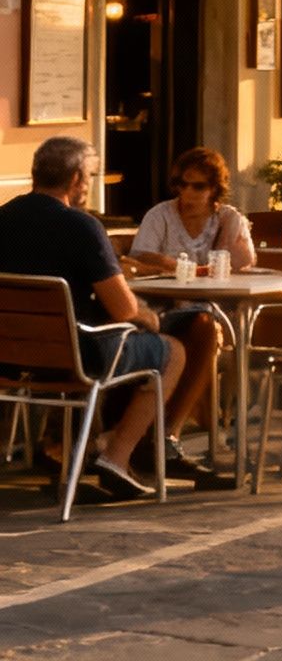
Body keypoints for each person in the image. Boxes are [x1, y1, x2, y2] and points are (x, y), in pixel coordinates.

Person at [0, 136, 224, 495]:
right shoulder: (81, 227)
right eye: (88, 177)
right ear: (76, 179)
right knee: (171, 351)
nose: (87, 185)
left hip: (10, 358)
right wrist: (148, 316)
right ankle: (117, 458)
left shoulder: (3, 219)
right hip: (77, 356)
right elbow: (123, 308)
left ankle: (88, 447)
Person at [128, 147, 255, 275]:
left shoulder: (228, 218)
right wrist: (192, 270)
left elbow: (244, 265)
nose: (188, 191)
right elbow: (140, 257)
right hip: (166, 292)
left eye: (198, 187)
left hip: (216, 293)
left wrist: (233, 232)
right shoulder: (159, 215)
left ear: (214, 188)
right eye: (183, 184)